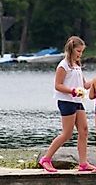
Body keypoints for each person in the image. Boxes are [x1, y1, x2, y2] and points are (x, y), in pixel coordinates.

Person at [38, 36, 92, 173]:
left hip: (78, 101)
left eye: (82, 52)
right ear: (72, 50)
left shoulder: (77, 66)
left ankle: (83, 163)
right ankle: (46, 159)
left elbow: (84, 85)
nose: (80, 54)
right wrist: (72, 91)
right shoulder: (63, 66)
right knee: (67, 133)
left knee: (84, 130)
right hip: (66, 101)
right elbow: (58, 85)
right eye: (78, 51)